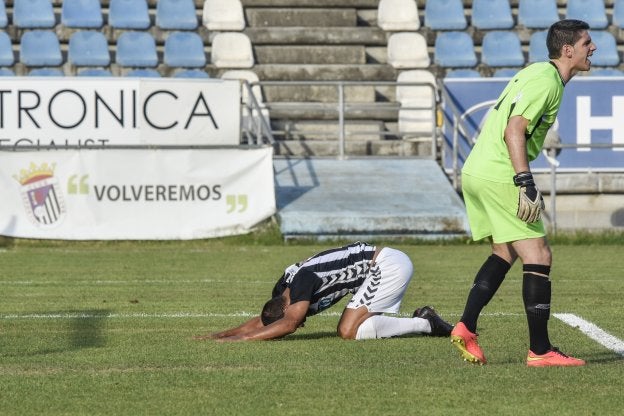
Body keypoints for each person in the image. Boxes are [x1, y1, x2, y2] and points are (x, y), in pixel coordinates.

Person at [450, 19, 595, 367]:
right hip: (500, 175)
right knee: (539, 256)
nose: (594, 48)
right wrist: (524, 182)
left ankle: (466, 326)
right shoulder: (546, 81)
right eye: (588, 43)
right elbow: (514, 131)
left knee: (505, 251)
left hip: (478, 170)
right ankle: (541, 351)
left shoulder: (538, 74)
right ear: (567, 50)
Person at [195, 241, 453, 342]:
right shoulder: (281, 290)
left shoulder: (302, 281)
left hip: (387, 265)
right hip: (379, 267)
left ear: (287, 306)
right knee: (359, 329)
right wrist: (220, 335)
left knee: (347, 330)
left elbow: (290, 323)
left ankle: (427, 323)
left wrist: (240, 341)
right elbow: (266, 320)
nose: (302, 322)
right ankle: (424, 319)